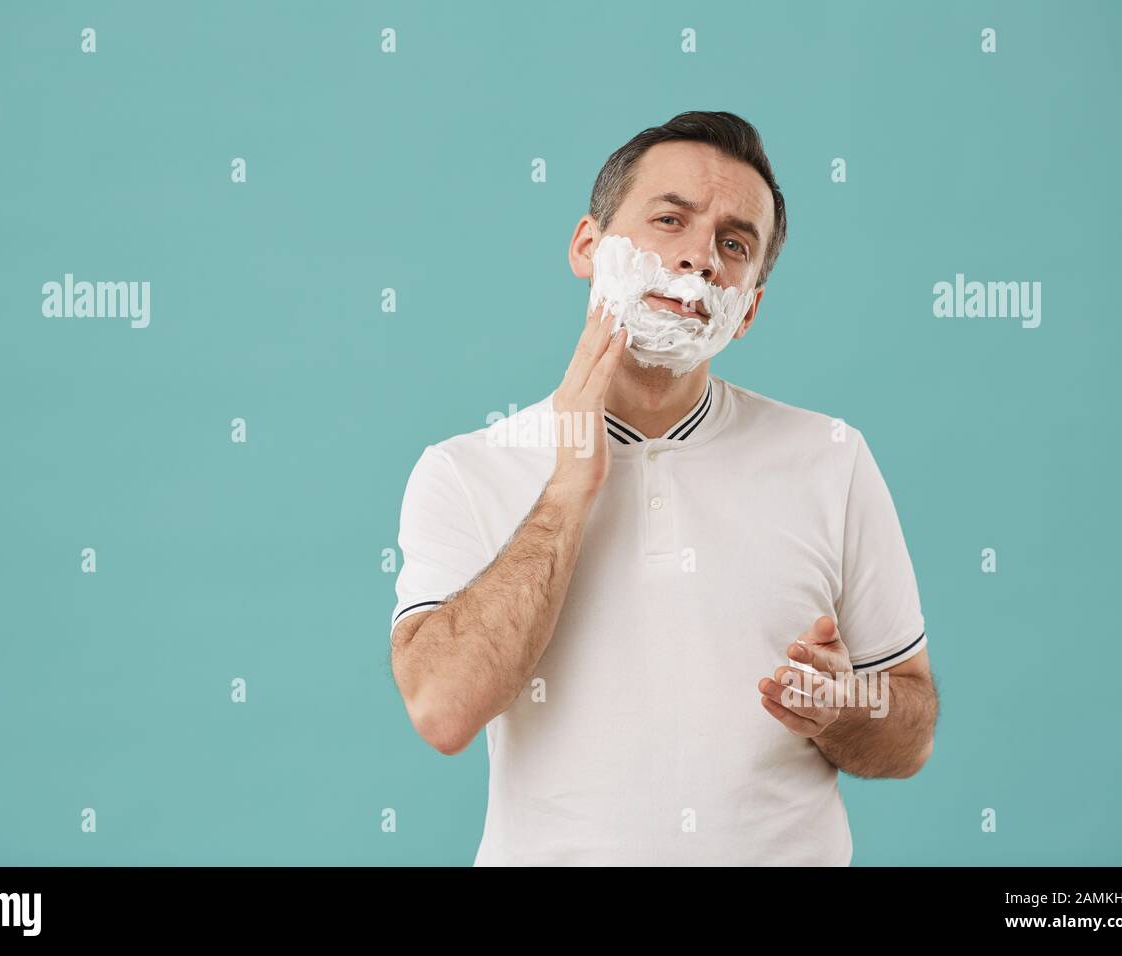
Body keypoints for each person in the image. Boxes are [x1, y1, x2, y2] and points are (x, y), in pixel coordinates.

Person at [389, 110, 938, 866]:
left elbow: (909, 733)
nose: (700, 259)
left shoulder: (831, 458)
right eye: (669, 220)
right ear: (588, 245)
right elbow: (442, 710)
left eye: (734, 244)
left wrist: (845, 711)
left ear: (748, 308)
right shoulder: (463, 470)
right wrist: (569, 486)